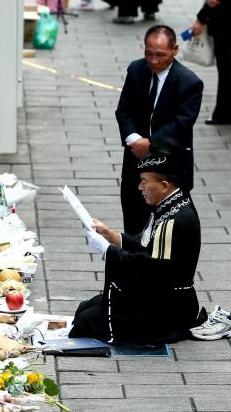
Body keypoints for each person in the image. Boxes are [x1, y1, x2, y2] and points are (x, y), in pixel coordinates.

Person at [69, 138, 206, 344]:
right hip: (161, 294)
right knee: (86, 308)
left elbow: (152, 269)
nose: (140, 187)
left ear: (164, 184)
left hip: (169, 306)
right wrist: (111, 235)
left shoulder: (174, 218)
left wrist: (109, 251)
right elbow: (145, 245)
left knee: (87, 320)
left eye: (144, 181)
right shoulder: (168, 205)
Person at [116, 25, 203, 235]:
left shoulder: (189, 82)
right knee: (133, 226)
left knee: (166, 231)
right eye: (149, 53)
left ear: (174, 50)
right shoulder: (136, 70)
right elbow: (123, 110)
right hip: (135, 163)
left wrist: (151, 144)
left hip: (169, 168)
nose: (153, 61)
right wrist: (135, 139)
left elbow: (181, 124)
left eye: (160, 55)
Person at [192, 0, 231, 125]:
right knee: (226, 68)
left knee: (225, 70)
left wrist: (200, 18)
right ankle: (229, 110)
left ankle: (225, 113)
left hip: (225, 21)